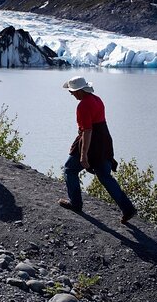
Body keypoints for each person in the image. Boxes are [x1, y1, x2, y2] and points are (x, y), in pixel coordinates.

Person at [58, 76, 137, 224]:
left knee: (70, 169)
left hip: (91, 142)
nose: (71, 94)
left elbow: (87, 131)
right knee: (105, 176)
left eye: (72, 91)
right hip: (104, 141)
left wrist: (83, 155)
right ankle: (128, 208)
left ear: (80, 91)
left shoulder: (83, 106)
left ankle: (75, 203)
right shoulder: (97, 99)